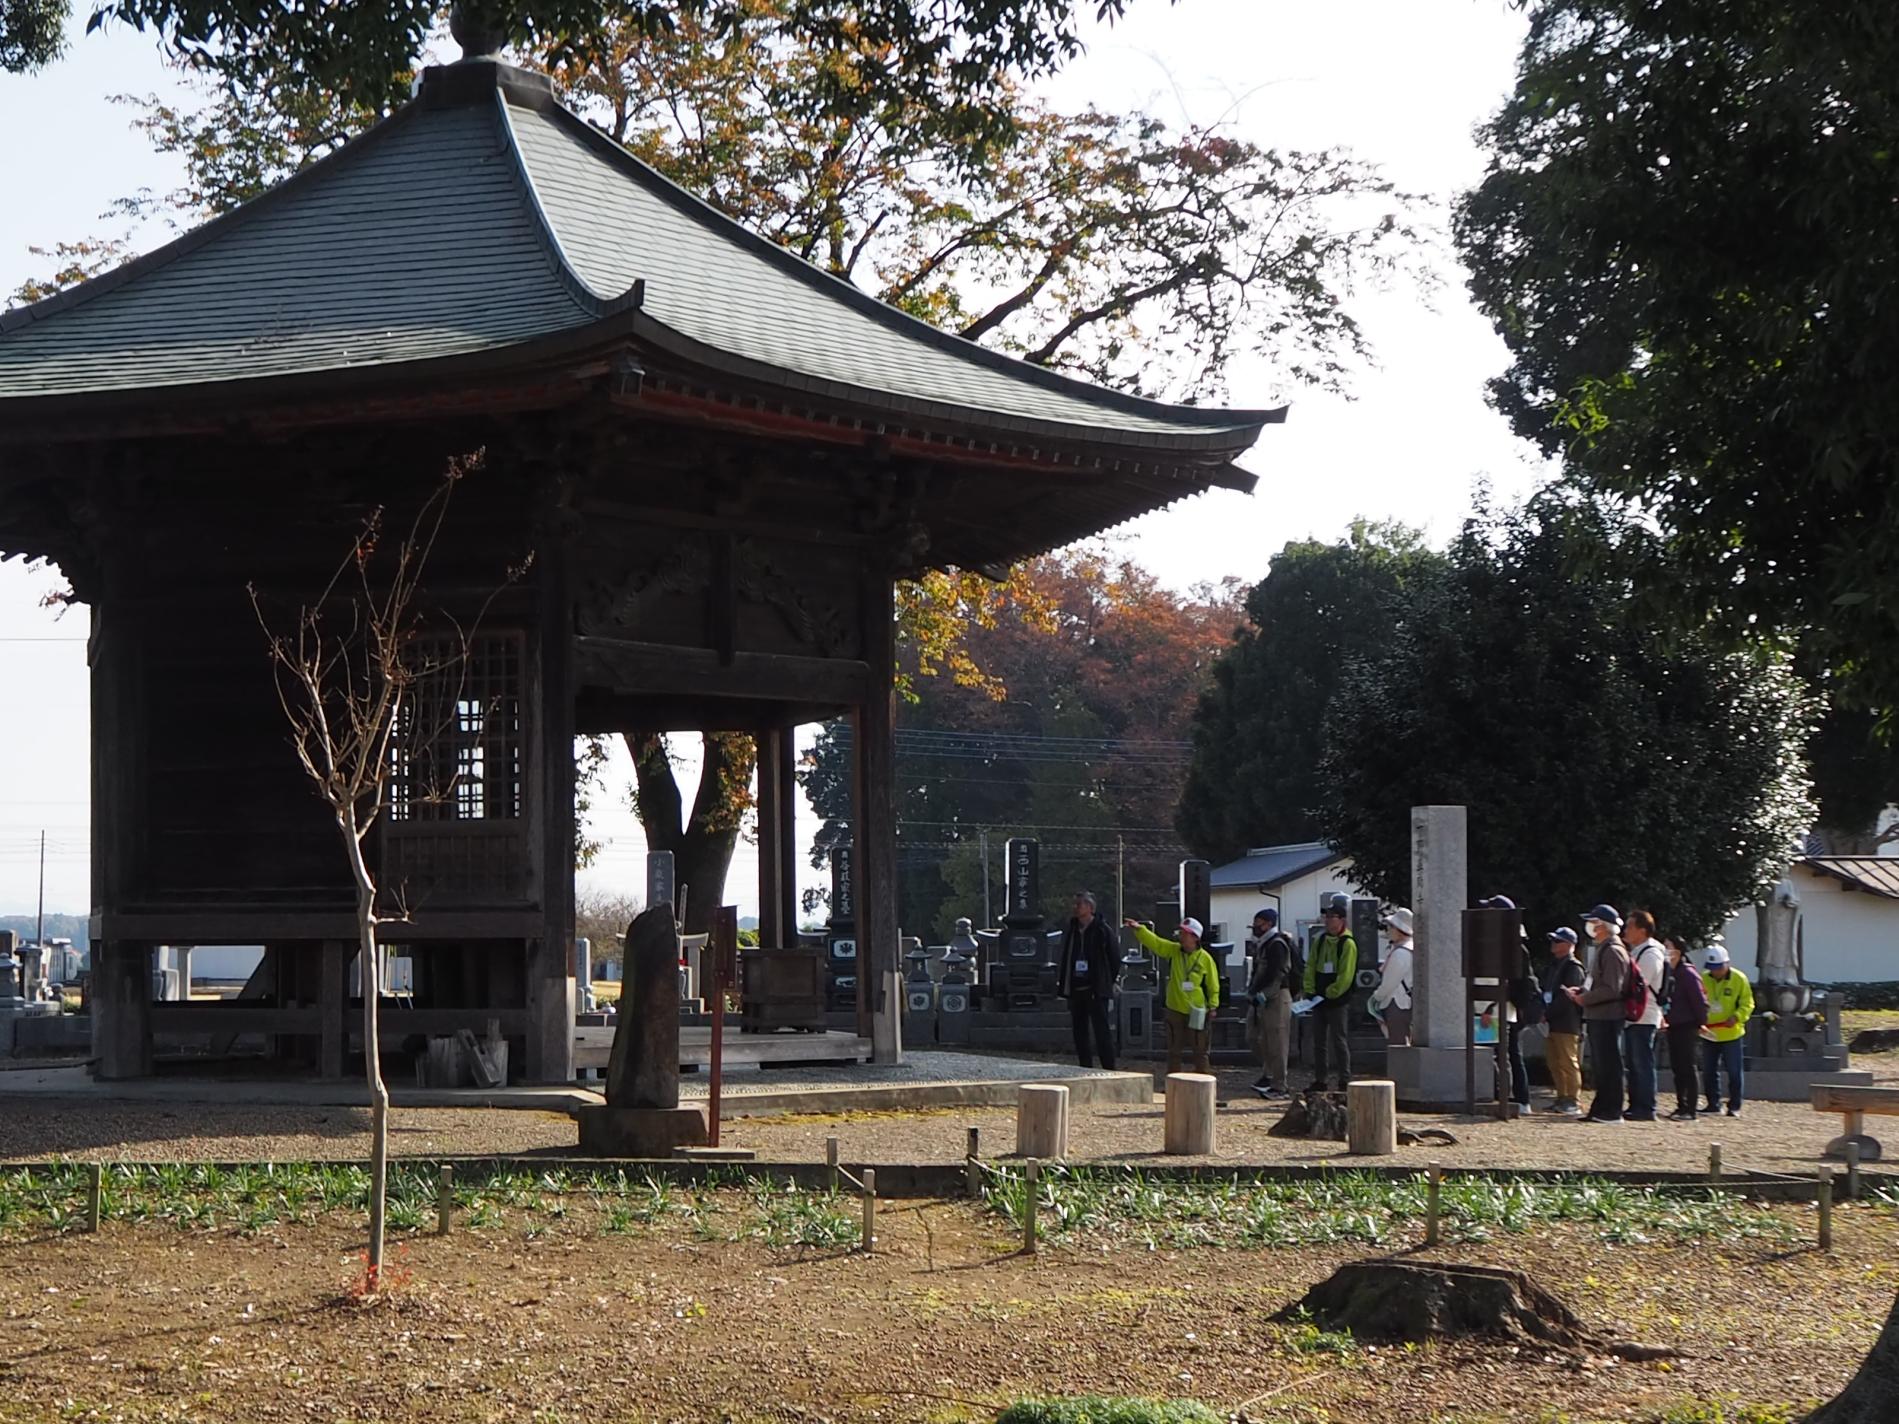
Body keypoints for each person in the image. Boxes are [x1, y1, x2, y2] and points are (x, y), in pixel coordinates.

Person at [1125, 914, 1221, 1076]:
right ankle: (1173, 1083)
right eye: (1181, 933)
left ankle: (1203, 1083)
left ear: (1195, 937)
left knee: (1200, 1050)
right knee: (1174, 1050)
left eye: (1185, 933)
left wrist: (1213, 1005)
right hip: (1174, 1008)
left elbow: (1213, 984)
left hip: (1196, 1011)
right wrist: (1140, 930)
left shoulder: (1205, 959)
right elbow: (1156, 943)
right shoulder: (1174, 951)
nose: (1181, 936)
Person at [1568, 904, 1631, 1123]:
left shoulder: (1613, 951)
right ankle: (1600, 1109)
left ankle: (1612, 1111)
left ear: (1602, 926)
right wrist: (1583, 992)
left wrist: (1585, 998)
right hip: (1599, 1015)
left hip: (1608, 1016)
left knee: (1610, 1065)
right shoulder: (1604, 948)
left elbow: (1613, 988)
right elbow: (1598, 983)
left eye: (1594, 922)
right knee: (1601, 1066)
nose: (1590, 926)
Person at [1474, 894, 1533, 1113]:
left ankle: (1511, 1099)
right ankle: (1519, 1099)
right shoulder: (1506, 942)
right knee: (1508, 1054)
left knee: (1503, 1056)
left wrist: (1489, 1008)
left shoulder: (1509, 946)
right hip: (1500, 1009)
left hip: (1499, 1010)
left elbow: (1507, 983)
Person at [1302, 895, 1358, 1091]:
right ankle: (1321, 1079)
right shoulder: (1320, 940)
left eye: (1332, 917)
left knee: (1339, 1040)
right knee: (1319, 1041)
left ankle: (1344, 1079)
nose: (1327, 920)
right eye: (1326, 917)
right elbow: (1310, 965)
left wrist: (1331, 992)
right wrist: (1309, 989)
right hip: (1318, 998)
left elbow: (1346, 975)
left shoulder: (1347, 944)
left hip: (1338, 1000)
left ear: (1341, 919)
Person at [1058, 891, 1118, 1070]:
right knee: (1079, 1030)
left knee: (1102, 1030)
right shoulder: (1071, 929)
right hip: (1076, 987)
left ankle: (1109, 1067)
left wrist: (1106, 981)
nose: (1075, 908)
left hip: (1096, 989)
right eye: (1075, 904)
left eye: (1080, 904)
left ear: (1090, 908)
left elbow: (1114, 958)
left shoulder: (1102, 930)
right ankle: (1084, 1066)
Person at [1622, 909, 1667, 1122]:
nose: (1626, 930)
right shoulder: (1637, 951)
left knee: (1642, 1062)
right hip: (1634, 1016)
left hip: (1645, 1015)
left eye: (1630, 926)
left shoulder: (1651, 952)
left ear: (1642, 930)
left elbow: (1641, 982)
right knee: (1633, 1062)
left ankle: (1647, 1106)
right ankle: (1635, 1104)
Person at [1245, 907, 1295, 1099]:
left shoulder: (1277, 944)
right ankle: (1268, 1074)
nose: (1256, 926)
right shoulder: (1262, 944)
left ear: (1269, 924)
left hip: (1277, 997)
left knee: (1277, 1041)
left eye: (1260, 922)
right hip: (1259, 998)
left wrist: (1264, 994)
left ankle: (1280, 1085)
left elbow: (1279, 974)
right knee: (1256, 1037)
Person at [1701, 941, 1754, 1116]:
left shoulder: (1740, 979)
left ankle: (1735, 1106)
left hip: (1731, 1033)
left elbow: (1748, 1003)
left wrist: (1738, 1016)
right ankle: (1713, 1104)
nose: (1715, 972)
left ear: (1727, 964)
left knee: (1734, 1072)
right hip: (1709, 1033)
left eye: (1718, 967)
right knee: (1708, 1071)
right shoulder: (1704, 978)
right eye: (1712, 968)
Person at [1661, 934, 1707, 1120]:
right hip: (1673, 1024)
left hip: (1687, 1025)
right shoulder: (1669, 973)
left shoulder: (1687, 973)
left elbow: (1699, 1001)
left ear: (1677, 952)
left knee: (1688, 1066)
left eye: (1668, 947)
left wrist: (1700, 1022)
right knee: (1677, 1067)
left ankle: (1691, 1108)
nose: (1664, 951)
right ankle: (1681, 1105)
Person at [1540, 928, 1586, 1114]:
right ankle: (1561, 1096)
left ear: (1569, 945)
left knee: (1568, 1061)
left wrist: (1548, 1013)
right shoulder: (1553, 966)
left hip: (1567, 1022)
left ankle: (1573, 1099)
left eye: (1558, 941)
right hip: (1551, 1021)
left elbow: (1569, 997)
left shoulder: (1574, 967)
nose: (1554, 944)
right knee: (1554, 1061)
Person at [1370, 907, 1414, 1048]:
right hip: (1404, 1002)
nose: (1388, 930)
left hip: (1397, 1002)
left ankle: (1401, 1070)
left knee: (1398, 1044)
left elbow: (1389, 983)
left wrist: (1375, 997)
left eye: (1391, 927)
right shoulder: (1408, 948)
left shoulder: (1401, 953)